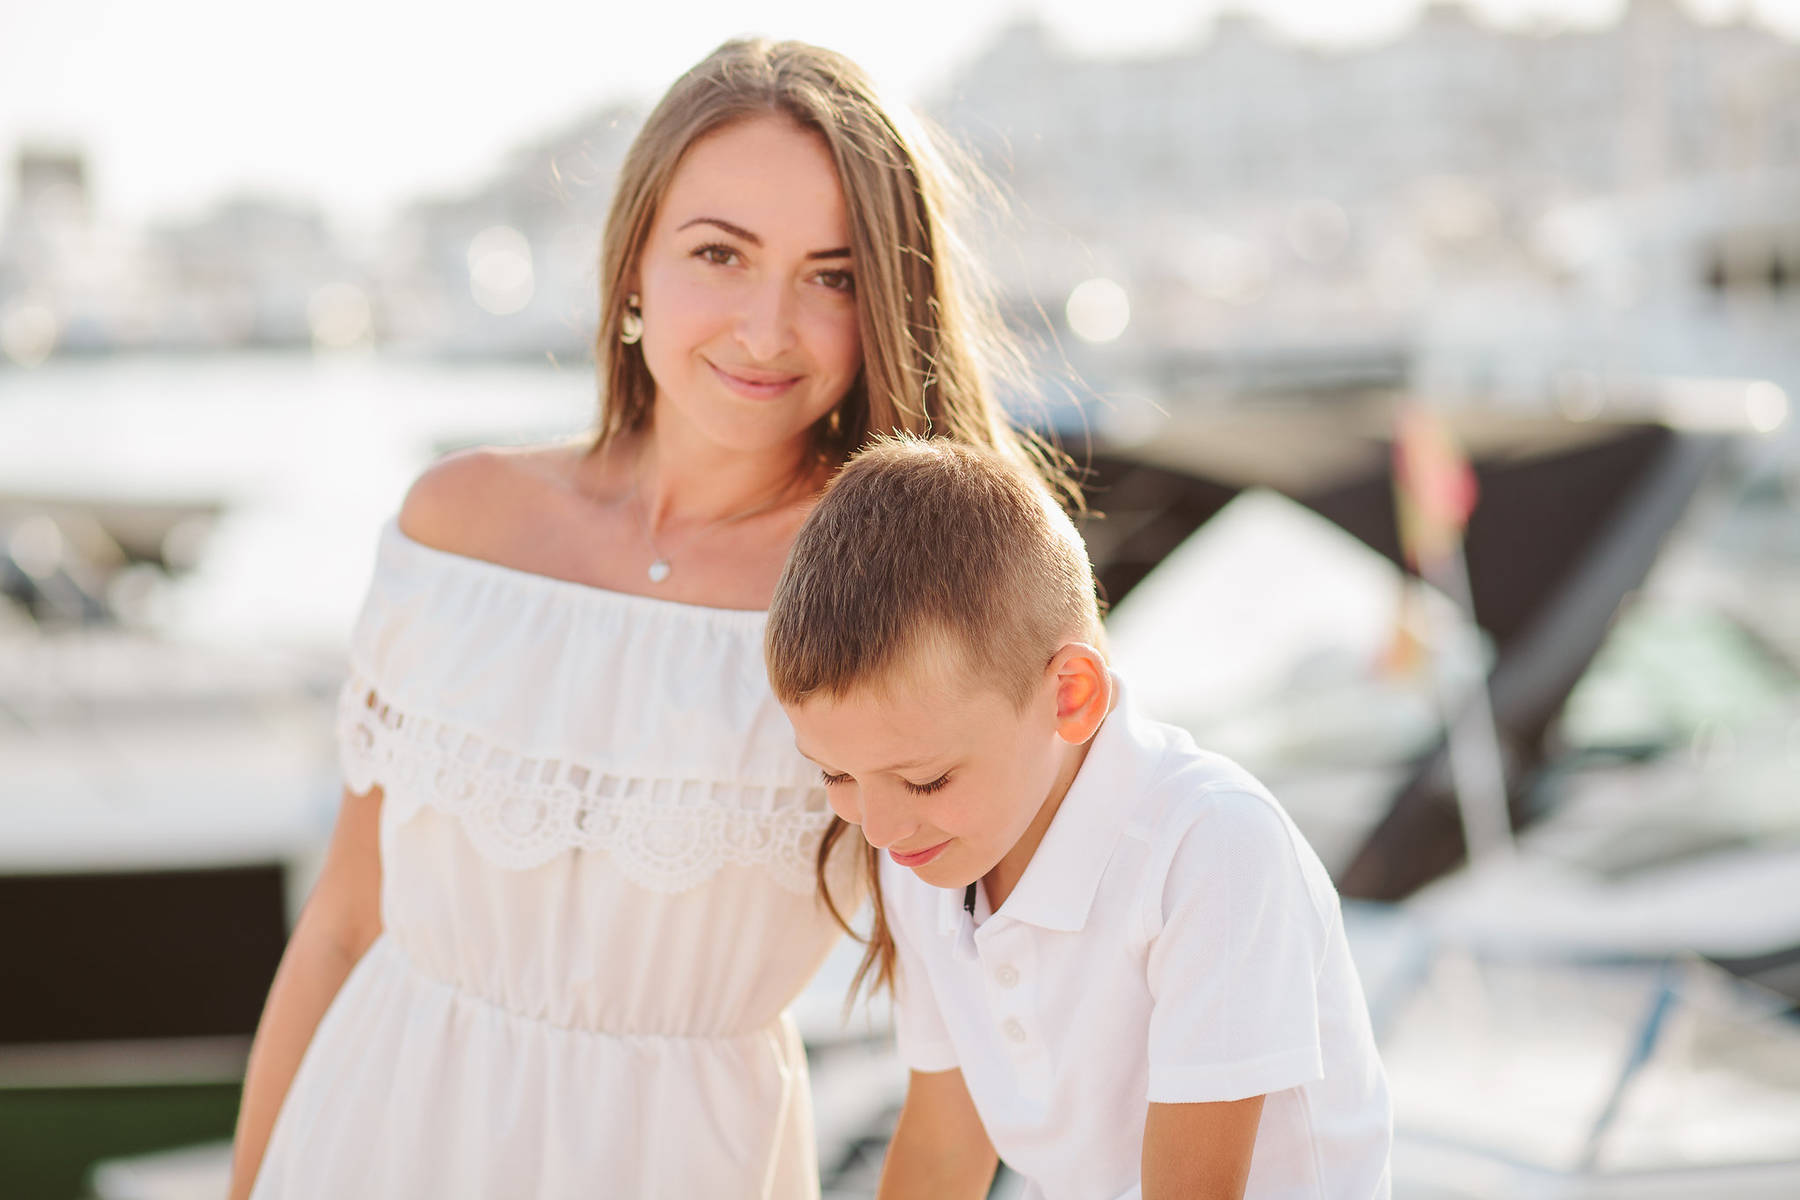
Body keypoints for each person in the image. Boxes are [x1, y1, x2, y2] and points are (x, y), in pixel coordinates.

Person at [228, 39, 1071, 1200]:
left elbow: (968, 1058)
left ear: (887, 301)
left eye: (832, 275)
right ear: (632, 267)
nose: (766, 330)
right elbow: (340, 923)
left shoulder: (909, 594)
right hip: (368, 1135)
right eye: (720, 253)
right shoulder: (454, 525)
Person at [766, 437, 1393, 1200]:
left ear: (1071, 697)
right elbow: (941, 1144)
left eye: (925, 779)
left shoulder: (1213, 847)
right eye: (835, 773)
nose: (879, 827)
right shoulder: (928, 852)